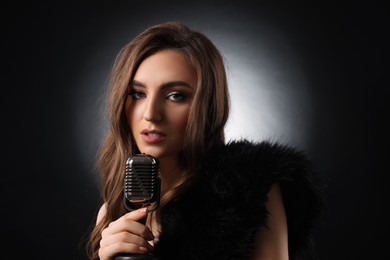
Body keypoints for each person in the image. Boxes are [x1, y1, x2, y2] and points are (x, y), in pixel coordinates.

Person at [86, 21, 325, 260]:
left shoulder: (249, 193)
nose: (150, 114)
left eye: (175, 96)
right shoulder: (113, 212)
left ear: (208, 108)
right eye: (138, 94)